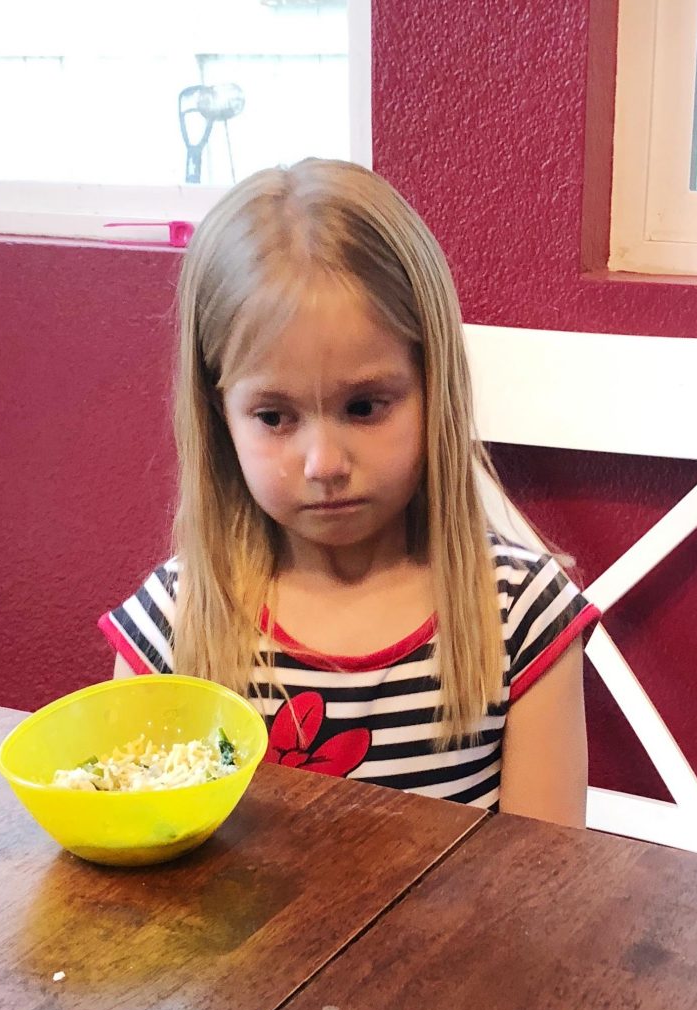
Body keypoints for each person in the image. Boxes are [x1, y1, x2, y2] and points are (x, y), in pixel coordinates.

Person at [99, 158, 599, 827]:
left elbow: (544, 888)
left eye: (364, 406)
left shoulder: (522, 618)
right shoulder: (172, 626)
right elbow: (134, 859)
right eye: (275, 418)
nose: (325, 463)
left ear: (434, 389)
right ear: (219, 416)